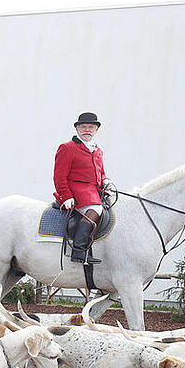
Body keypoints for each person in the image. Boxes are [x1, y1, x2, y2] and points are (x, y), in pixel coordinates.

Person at [53, 112, 113, 265]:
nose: (87, 130)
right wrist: (66, 196)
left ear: (96, 130)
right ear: (77, 129)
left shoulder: (98, 150)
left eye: (91, 127)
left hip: (95, 191)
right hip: (77, 191)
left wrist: (106, 180)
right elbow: (59, 176)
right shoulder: (67, 148)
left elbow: (101, 171)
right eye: (84, 127)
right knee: (96, 208)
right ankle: (78, 251)